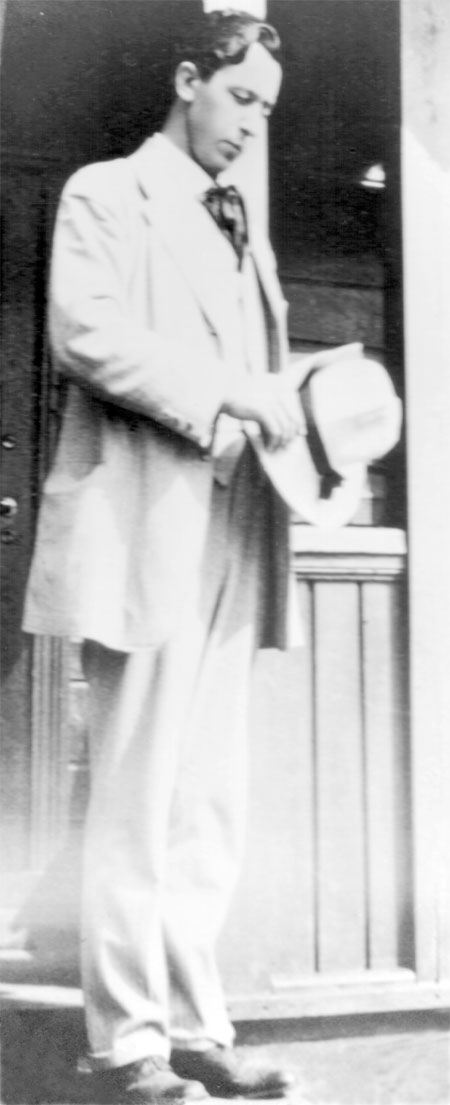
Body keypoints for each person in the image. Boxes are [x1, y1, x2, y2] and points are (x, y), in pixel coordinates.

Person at [23, 9, 340, 1103]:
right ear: (187, 78)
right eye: (241, 97)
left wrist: (311, 417)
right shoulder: (108, 193)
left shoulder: (240, 223)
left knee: (209, 798)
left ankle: (199, 1026)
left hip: (236, 529)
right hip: (144, 526)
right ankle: (128, 1044)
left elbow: (259, 382)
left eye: (267, 109)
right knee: (137, 794)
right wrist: (231, 392)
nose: (252, 124)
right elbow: (86, 335)